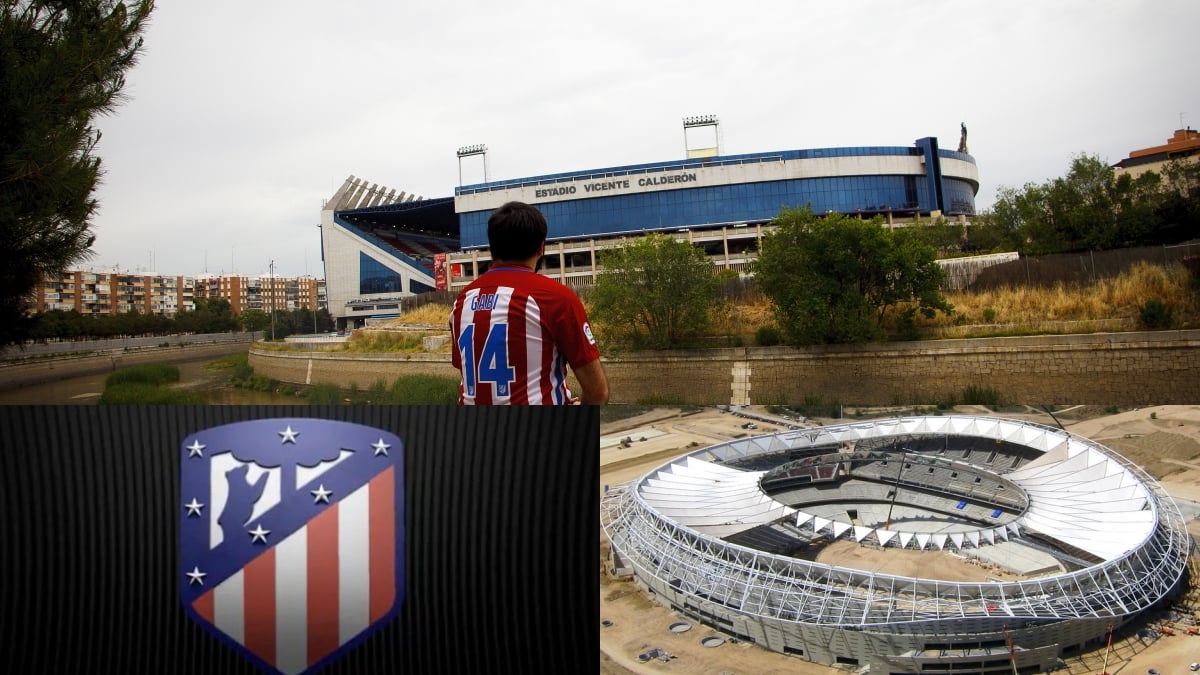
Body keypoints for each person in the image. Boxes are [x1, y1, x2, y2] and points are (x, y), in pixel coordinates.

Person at [449, 201, 609, 405]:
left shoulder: (462, 302)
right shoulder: (555, 298)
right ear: (541, 247)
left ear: (492, 247)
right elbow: (597, 391)